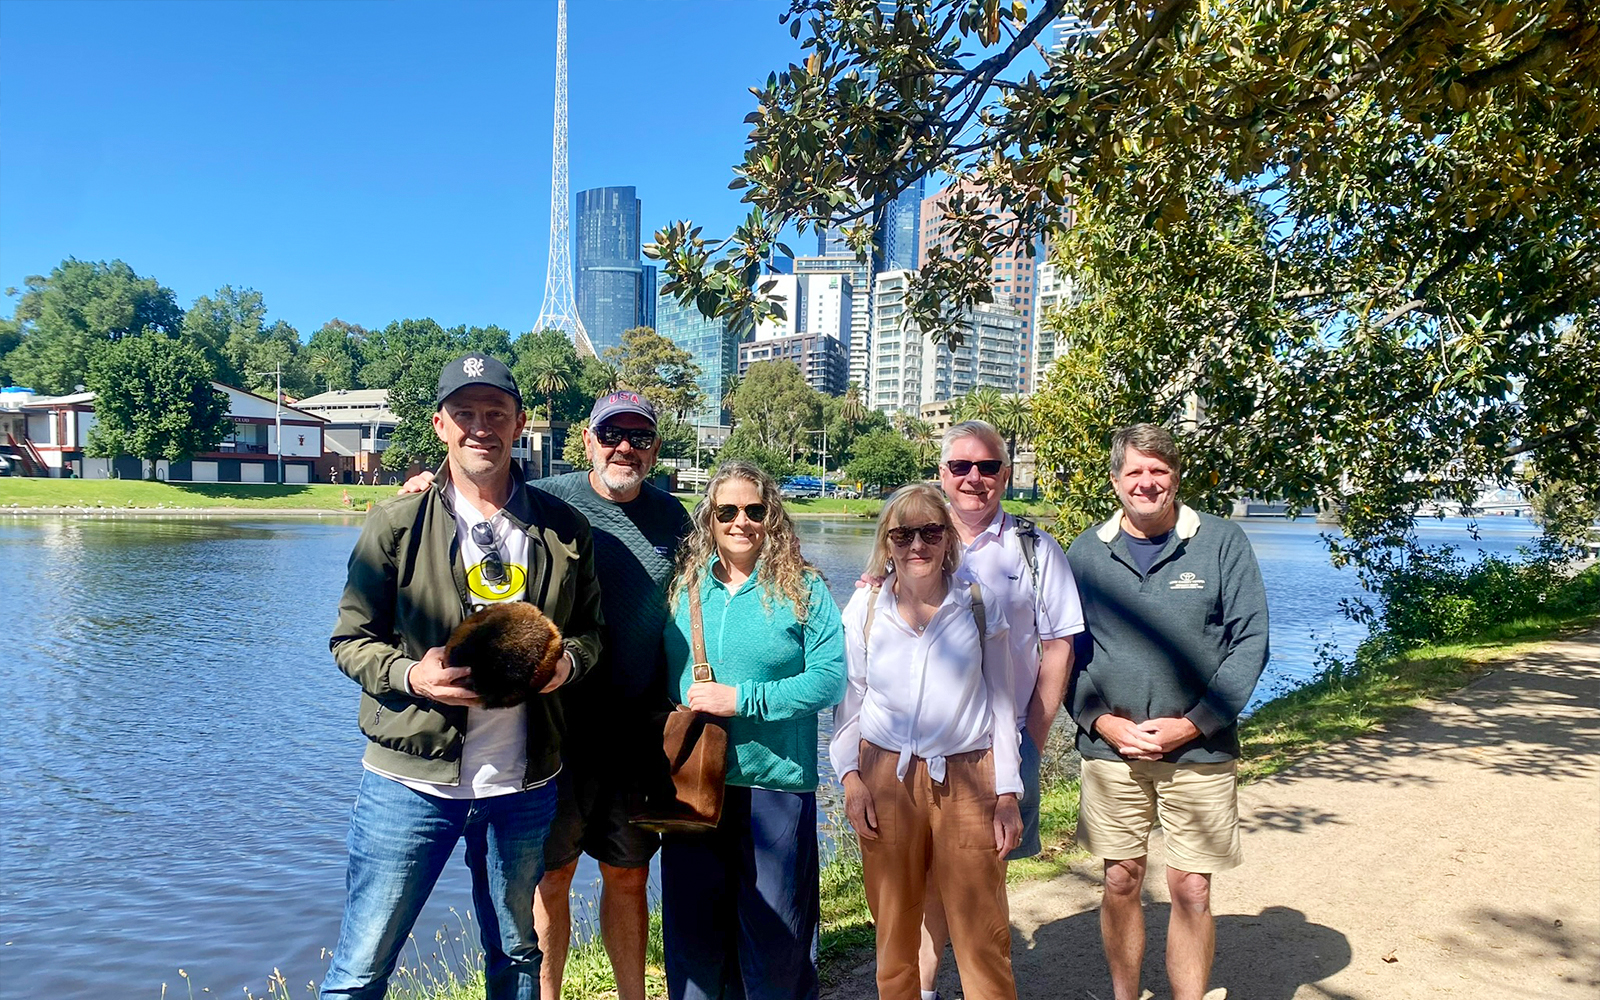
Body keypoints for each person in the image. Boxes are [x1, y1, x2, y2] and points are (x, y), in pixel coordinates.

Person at [320, 352, 604, 1000]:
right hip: (408, 783)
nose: (481, 426)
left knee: (516, 954)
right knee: (361, 968)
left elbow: (593, 634)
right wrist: (411, 676)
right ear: (440, 425)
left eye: (495, 413)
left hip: (523, 785)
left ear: (519, 423)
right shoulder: (395, 525)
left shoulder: (564, 531)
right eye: (465, 414)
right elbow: (348, 640)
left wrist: (569, 662)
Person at [400, 390, 692, 1000]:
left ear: (655, 449)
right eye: (612, 435)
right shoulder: (550, 499)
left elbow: (730, 569)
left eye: (640, 438)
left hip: (638, 729)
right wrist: (424, 492)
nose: (625, 448)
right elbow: (474, 497)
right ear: (586, 440)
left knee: (629, 875)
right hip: (554, 729)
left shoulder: (675, 519)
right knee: (550, 879)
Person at [1065, 423, 1270, 1000]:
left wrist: (1193, 723)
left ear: (1176, 477)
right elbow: (1064, 652)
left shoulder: (1222, 543)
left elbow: (1250, 642)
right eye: (1134, 471)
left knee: (1190, 889)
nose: (1146, 483)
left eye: (1158, 471)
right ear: (1114, 480)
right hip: (1112, 751)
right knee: (1121, 879)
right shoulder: (1086, 552)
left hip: (1200, 750)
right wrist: (1102, 722)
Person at [883, 421, 1086, 1000]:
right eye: (961, 467)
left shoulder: (1034, 548)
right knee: (921, 883)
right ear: (942, 474)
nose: (975, 478)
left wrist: (1032, 741)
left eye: (989, 466)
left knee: (980, 886)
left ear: (1006, 473)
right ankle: (922, 990)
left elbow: (1059, 645)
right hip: (914, 752)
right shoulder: (913, 537)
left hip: (998, 743)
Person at [660, 461, 846, 1000]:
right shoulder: (685, 590)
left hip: (774, 785)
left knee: (776, 943)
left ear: (772, 517)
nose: (741, 521)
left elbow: (829, 681)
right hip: (694, 790)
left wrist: (741, 700)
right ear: (710, 521)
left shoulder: (804, 589)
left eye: (754, 510)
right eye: (727, 512)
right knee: (695, 942)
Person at [831, 482, 1024, 1000]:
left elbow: (1003, 703)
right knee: (893, 929)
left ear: (947, 540)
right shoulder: (865, 609)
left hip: (967, 773)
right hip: (884, 774)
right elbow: (850, 702)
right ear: (886, 543)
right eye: (902, 534)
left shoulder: (979, 604)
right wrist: (850, 781)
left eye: (930, 531)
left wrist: (1008, 793)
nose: (917, 545)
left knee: (982, 930)